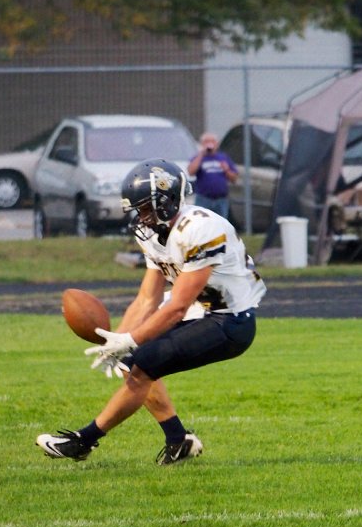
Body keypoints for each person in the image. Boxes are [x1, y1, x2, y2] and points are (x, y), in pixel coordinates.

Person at [36, 159, 266, 466]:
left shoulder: (200, 229)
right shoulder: (153, 234)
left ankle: (83, 441)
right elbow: (147, 298)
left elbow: (177, 307)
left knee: (142, 366)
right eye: (138, 209)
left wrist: (131, 340)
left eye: (146, 208)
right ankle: (178, 440)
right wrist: (116, 341)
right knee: (131, 363)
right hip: (202, 309)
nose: (141, 217)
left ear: (168, 202)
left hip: (231, 319)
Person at [187, 131, 239, 222]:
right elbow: (191, 172)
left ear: (217, 144)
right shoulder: (198, 158)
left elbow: (234, 179)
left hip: (221, 199)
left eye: (212, 141)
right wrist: (201, 154)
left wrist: (227, 170)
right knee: (202, 222)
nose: (210, 144)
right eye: (206, 141)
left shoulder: (223, 157)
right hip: (203, 198)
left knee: (221, 223)